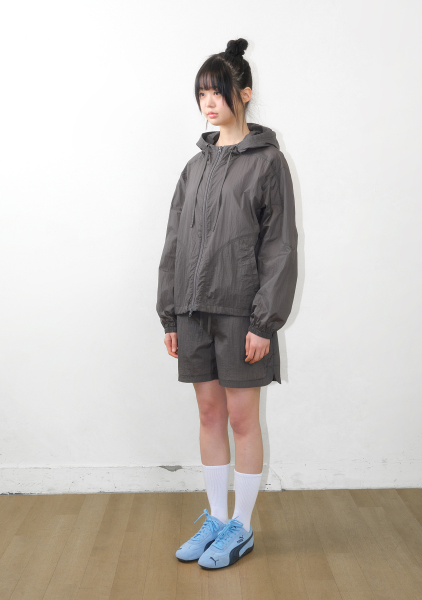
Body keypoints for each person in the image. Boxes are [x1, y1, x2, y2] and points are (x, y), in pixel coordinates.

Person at [156, 38, 298, 570]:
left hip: (242, 314)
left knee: (242, 419)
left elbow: (280, 246)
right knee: (209, 413)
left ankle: (242, 525)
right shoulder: (194, 167)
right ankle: (216, 518)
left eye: (217, 92)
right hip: (193, 311)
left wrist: (265, 321)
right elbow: (174, 242)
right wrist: (169, 312)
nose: (208, 103)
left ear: (244, 93)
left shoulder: (269, 163)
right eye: (201, 94)